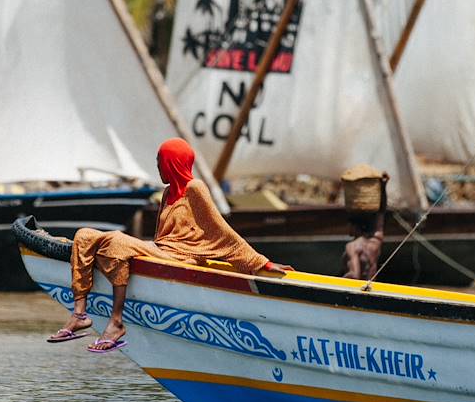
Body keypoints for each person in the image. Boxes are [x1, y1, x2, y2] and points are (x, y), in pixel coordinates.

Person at [48, 137, 293, 352]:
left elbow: (221, 230)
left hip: (182, 257)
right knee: (84, 235)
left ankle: (116, 322)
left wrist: (262, 263)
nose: (158, 167)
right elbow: (161, 237)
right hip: (162, 251)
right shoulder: (167, 193)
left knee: (116, 241)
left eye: (160, 162)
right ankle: (79, 314)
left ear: (173, 162)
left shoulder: (195, 189)